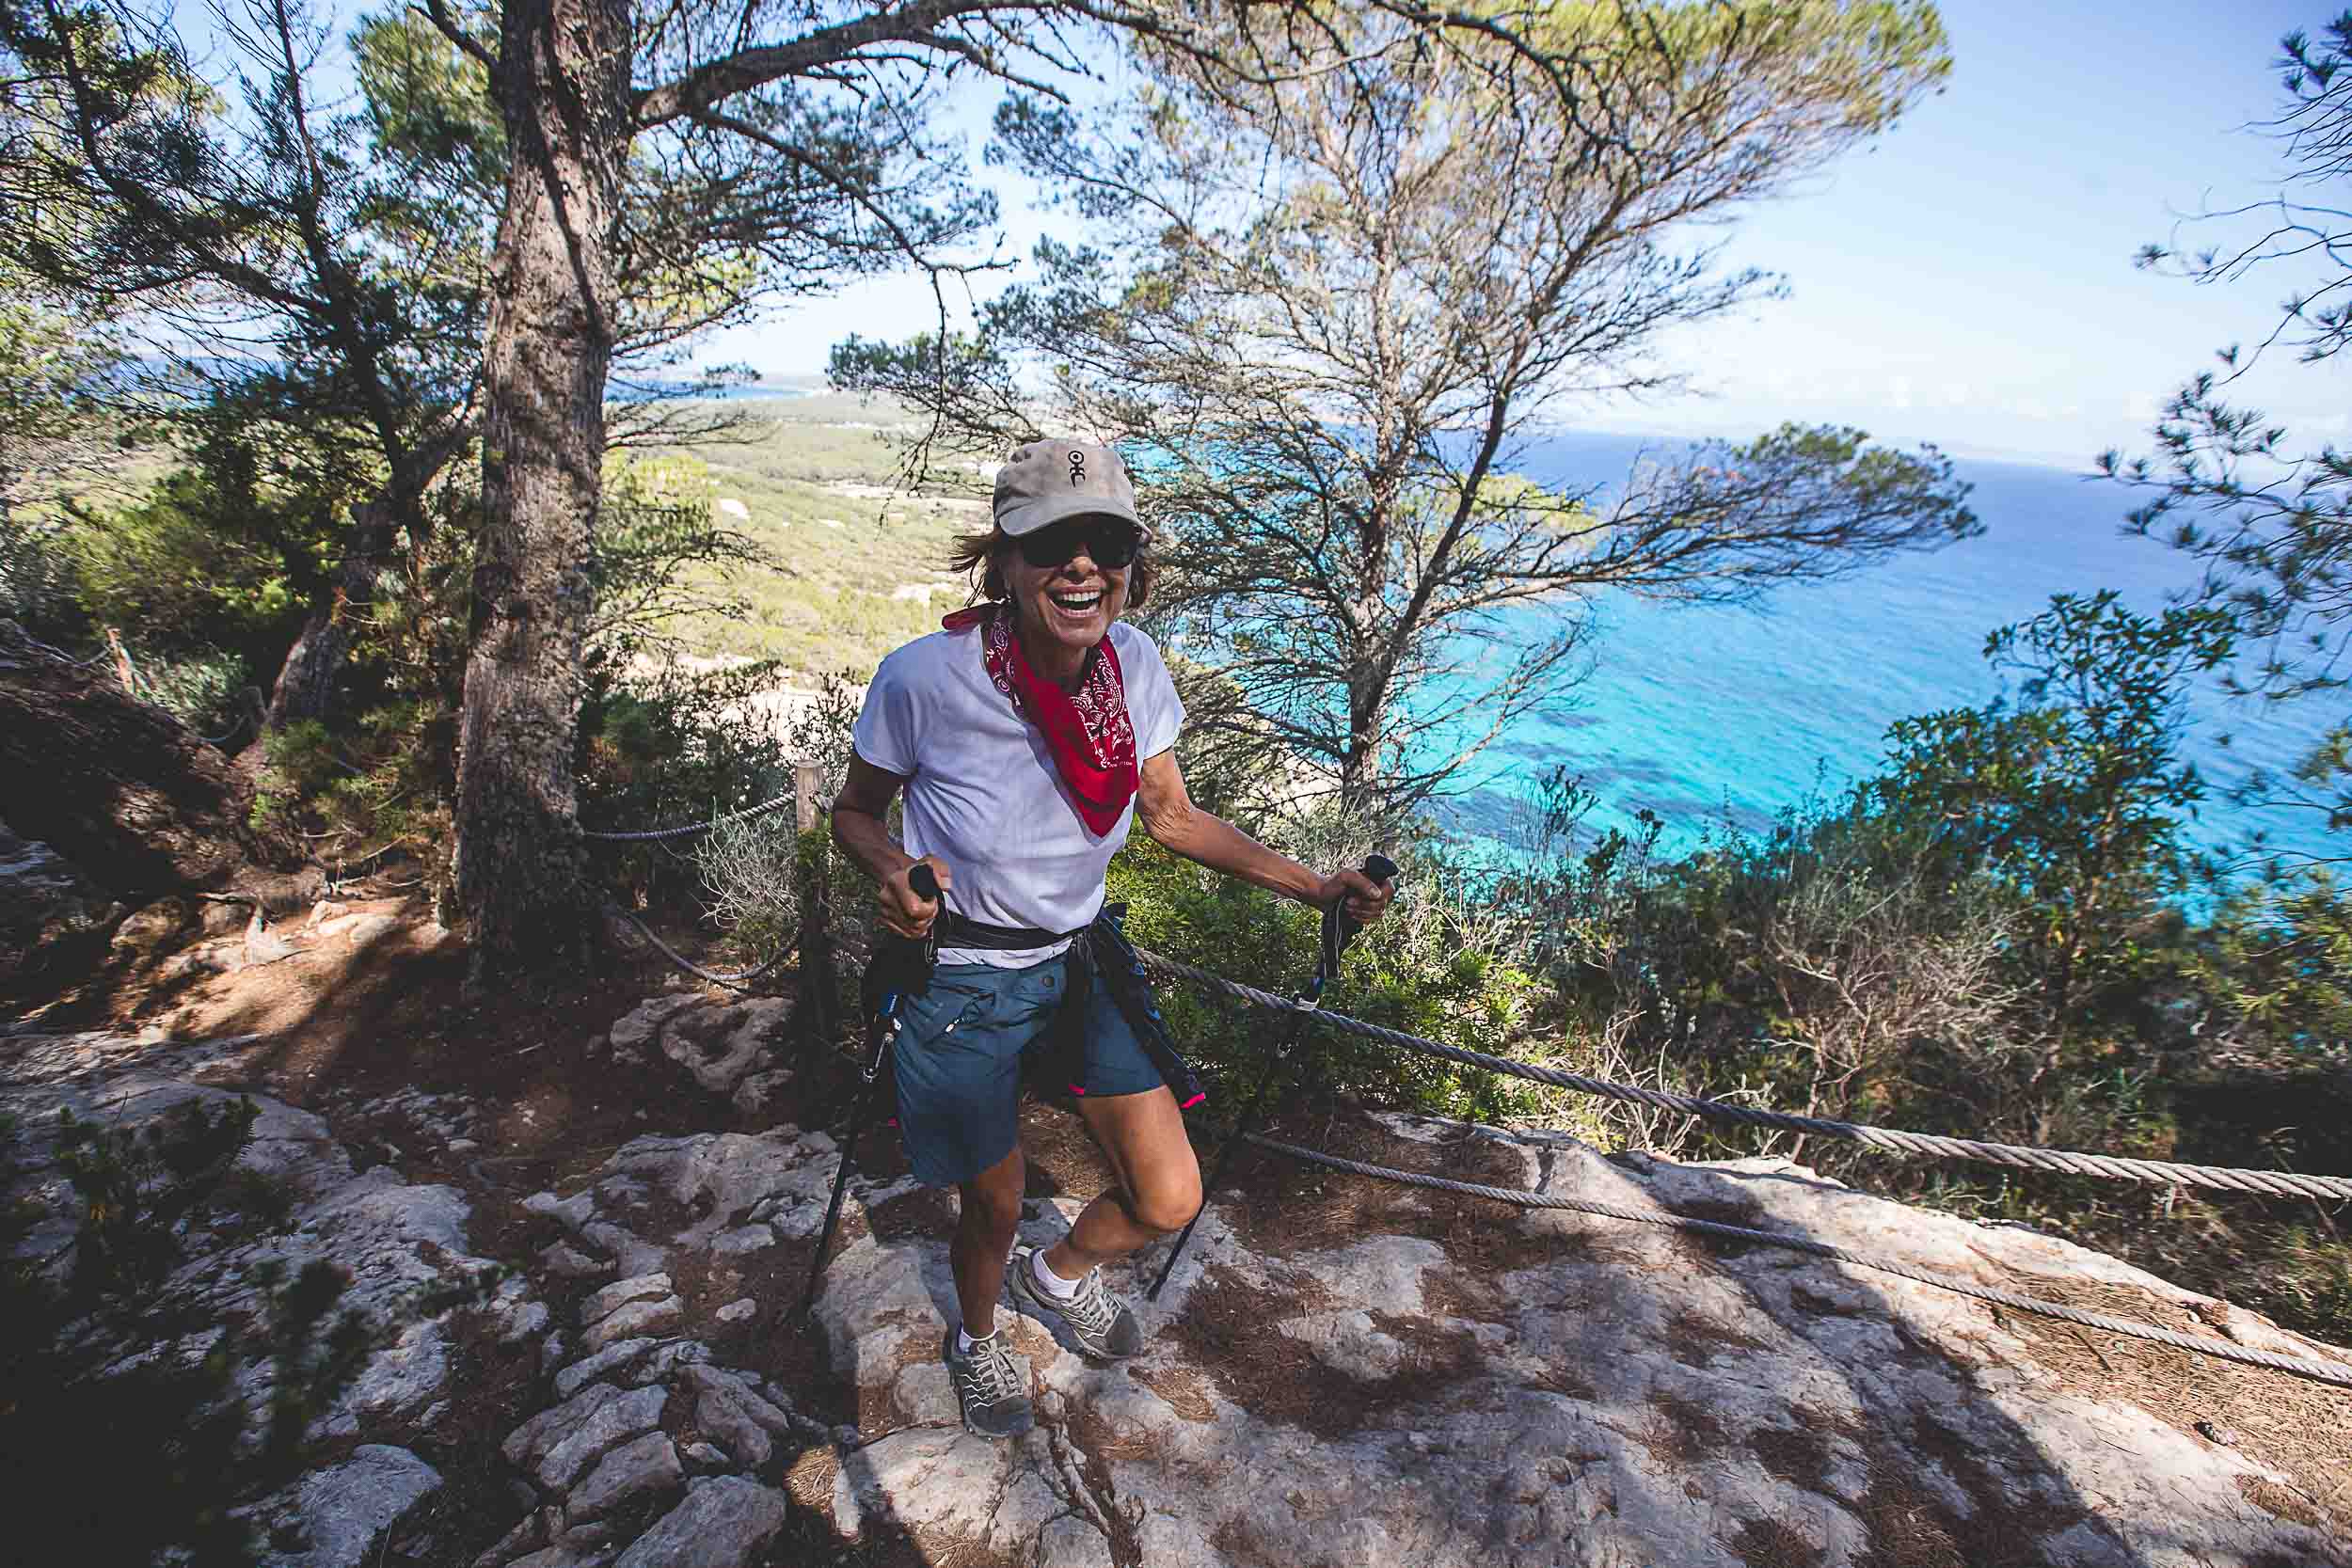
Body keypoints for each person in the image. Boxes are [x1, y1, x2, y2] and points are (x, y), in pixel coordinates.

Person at [831, 437, 1392, 1439]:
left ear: (1133, 566)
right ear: (1004, 562)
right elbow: (854, 812)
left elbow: (1173, 817)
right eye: (1053, 543)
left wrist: (1316, 887)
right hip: (962, 977)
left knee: (1170, 1195)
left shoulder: (1133, 667)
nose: (1082, 565)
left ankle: (1057, 1275)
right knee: (995, 1204)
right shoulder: (924, 678)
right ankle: (975, 1335)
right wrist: (895, 871)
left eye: (1109, 544)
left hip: (1078, 963)